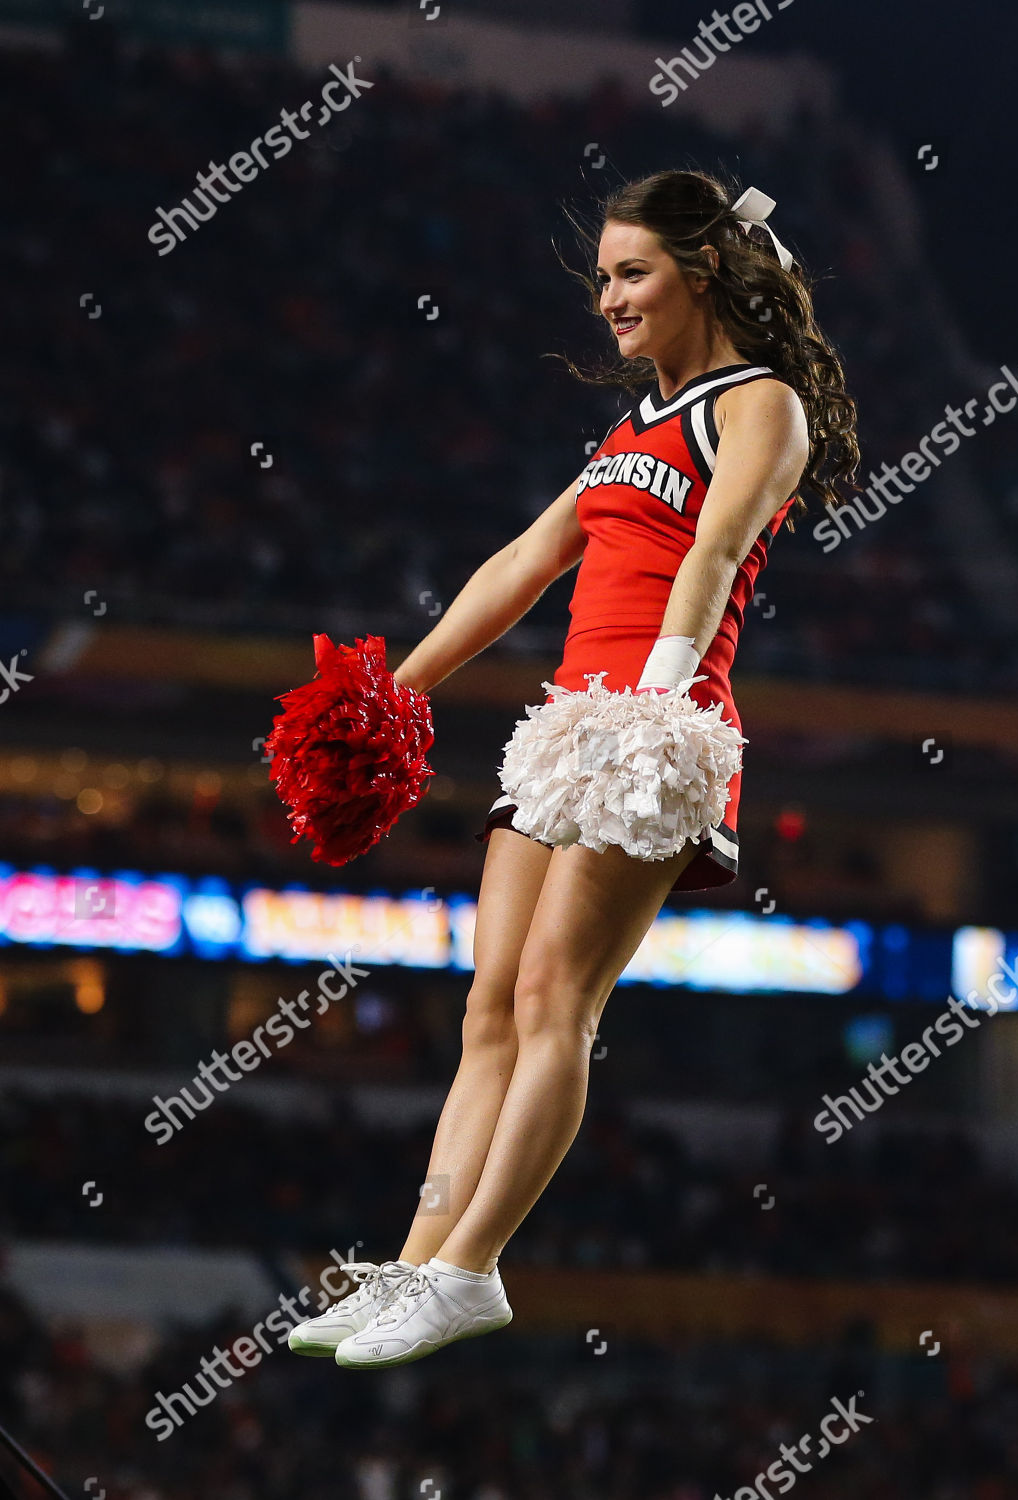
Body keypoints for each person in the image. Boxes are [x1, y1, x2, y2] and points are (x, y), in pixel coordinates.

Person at [288, 170, 858, 1370]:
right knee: (486, 1004)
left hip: (660, 720)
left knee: (557, 999)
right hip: (565, 726)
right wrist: (397, 690)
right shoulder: (628, 429)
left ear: (701, 272)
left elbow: (710, 551)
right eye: (601, 276)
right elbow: (523, 561)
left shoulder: (759, 405)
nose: (606, 298)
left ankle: (471, 1268)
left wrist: (654, 695)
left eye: (630, 273)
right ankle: (417, 1262)